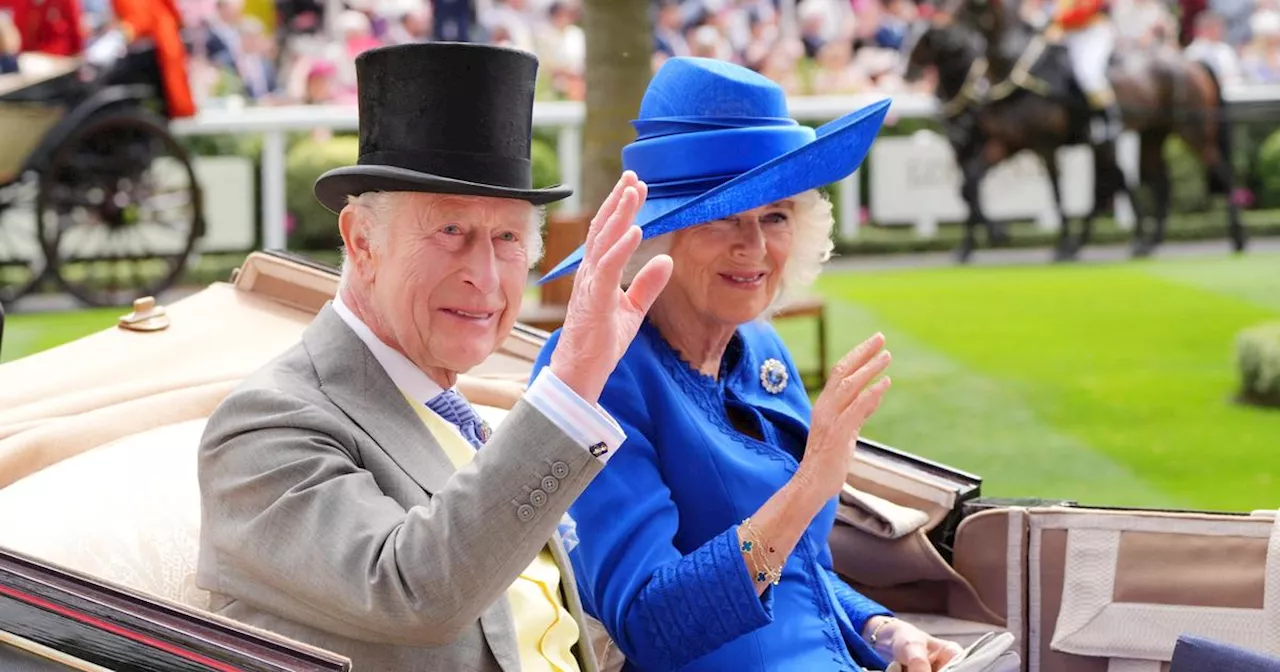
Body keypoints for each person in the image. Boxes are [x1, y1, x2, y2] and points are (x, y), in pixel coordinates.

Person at [195, 42, 673, 672]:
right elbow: (413, 593)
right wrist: (571, 385)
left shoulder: (458, 410)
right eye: (450, 232)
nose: (484, 275)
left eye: (506, 238)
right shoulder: (266, 426)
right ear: (361, 241)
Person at [532, 57, 964, 672]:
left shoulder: (759, 348)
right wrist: (812, 481)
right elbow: (651, 626)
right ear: (660, 235)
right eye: (724, 217)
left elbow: (793, 572)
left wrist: (883, 628)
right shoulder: (598, 374)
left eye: (775, 216)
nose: (755, 248)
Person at [1045, 0, 1122, 146]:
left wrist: (1057, 21)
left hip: (1093, 32)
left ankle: (1108, 119)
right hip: (1071, 35)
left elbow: (1084, 10)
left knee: (1087, 73)